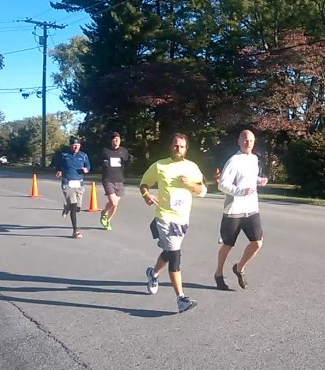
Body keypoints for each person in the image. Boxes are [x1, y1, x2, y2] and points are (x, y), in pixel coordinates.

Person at [139, 133, 207, 313]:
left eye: (182, 146)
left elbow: (202, 190)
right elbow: (144, 184)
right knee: (175, 255)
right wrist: (146, 195)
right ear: (171, 146)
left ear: (186, 149)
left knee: (169, 253)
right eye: (176, 145)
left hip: (182, 219)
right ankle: (181, 299)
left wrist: (191, 185)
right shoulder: (160, 165)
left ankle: (153, 274)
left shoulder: (192, 167)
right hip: (164, 217)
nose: (178, 149)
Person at [214, 129, 268, 290]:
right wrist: (241, 191)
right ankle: (218, 274)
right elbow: (222, 184)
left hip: (251, 208)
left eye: (250, 141)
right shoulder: (233, 161)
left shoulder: (254, 159)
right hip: (234, 210)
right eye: (245, 140)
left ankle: (239, 268)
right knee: (228, 245)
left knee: (257, 243)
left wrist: (259, 180)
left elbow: (248, 178)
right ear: (239, 141)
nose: (248, 143)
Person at [55, 136, 91, 239]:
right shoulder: (64, 155)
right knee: (74, 207)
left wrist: (86, 170)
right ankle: (75, 230)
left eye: (78, 145)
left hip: (79, 183)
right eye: (74, 145)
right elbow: (58, 166)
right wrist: (59, 171)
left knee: (78, 208)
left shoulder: (83, 156)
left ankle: (67, 207)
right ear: (70, 146)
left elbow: (88, 166)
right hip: (67, 183)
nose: (76, 147)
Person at [100, 131, 133, 230]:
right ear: (111, 140)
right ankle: (104, 212)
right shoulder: (105, 151)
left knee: (115, 204)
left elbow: (126, 164)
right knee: (113, 202)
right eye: (115, 139)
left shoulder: (123, 151)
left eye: (118, 139)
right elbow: (98, 161)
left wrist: (129, 161)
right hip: (108, 179)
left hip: (119, 179)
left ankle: (108, 220)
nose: (117, 141)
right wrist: (103, 163)